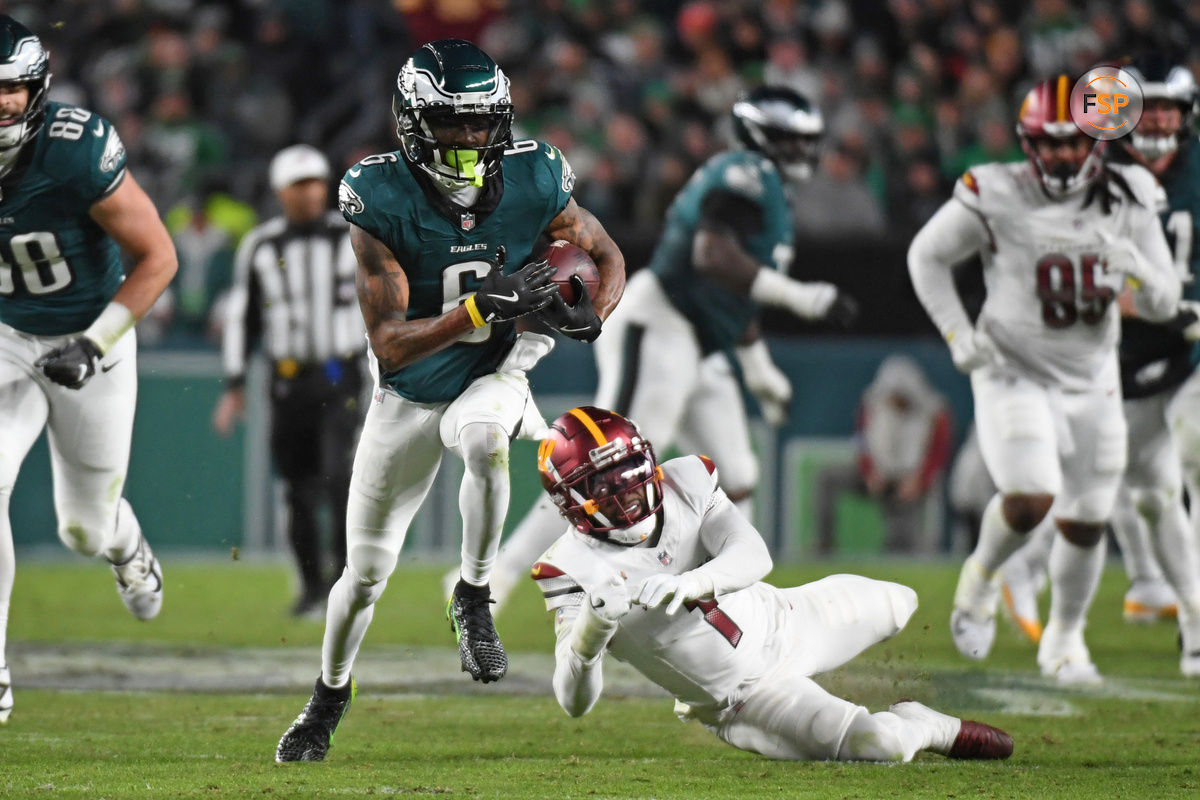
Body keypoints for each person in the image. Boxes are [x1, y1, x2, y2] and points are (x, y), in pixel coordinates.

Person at [274, 39, 625, 762]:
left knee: (485, 439)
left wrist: (595, 312)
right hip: (407, 396)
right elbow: (389, 344)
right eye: (451, 122)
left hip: (487, 379)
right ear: (412, 121)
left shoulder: (535, 176)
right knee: (362, 576)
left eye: (480, 121)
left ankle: (473, 594)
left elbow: (608, 256)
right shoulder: (378, 196)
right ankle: (329, 695)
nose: (469, 137)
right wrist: (477, 308)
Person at [469, 85, 857, 610]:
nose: (805, 153)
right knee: (599, 464)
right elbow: (712, 256)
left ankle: (731, 595)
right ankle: (496, 578)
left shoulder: (769, 192)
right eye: (794, 140)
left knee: (738, 474)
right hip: (661, 323)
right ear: (766, 138)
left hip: (702, 344)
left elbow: (732, 301)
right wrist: (804, 298)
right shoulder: (743, 174)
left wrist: (759, 366)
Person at [530, 406, 1013, 763]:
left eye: (632, 473)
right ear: (571, 501)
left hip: (787, 616)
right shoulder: (571, 569)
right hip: (745, 696)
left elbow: (753, 555)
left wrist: (696, 581)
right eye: (608, 487)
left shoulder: (687, 481)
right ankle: (925, 726)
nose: (630, 494)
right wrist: (592, 630)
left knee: (900, 604)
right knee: (880, 745)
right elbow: (574, 702)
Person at [907, 75, 1181, 685]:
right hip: (1014, 369)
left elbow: (1163, 304)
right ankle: (979, 581)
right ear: (1028, 144)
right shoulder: (996, 190)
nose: (1060, 155)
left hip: (1093, 377)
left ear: (1095, 142)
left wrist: (1139, 269)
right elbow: (926, 255)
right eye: (1047, 143)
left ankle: (1064, 640)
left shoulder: (1131, 194)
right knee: (1031, 496)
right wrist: (957, 333)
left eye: (1071, 143)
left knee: (1087, 519)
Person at [0, 16, 177, 723]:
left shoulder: (74, 151)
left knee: (82, 527)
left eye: (9, 89)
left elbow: (159, 255)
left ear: (36, 90)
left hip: (86, 332)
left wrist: (96, 342)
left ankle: (124, 543)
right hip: (5, 330)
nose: (0, 104)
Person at [997, 56, 1200, 673]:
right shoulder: (1094, 176)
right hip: (1112, 357)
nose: (1158, 118)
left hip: (1189, 354)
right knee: (1149, 496)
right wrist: (1155, 306)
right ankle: (1034, 585)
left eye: (1169, 107)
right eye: (1148, 106)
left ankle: (1194, 628)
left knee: (1193, 450)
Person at [213, 144, 366, 618]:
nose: (310, 193)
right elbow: (245, 317)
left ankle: (344, 585)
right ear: (281, 192)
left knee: (341, 480)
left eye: (317, 182)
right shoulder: (261, 245)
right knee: (298, 489)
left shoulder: (355, 238)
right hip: (286, 382)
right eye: (299, 185)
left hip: (340, 374)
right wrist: (234, 383)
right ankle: (310, 586)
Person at [814, 355, 953, 555]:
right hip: (876, 476)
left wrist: (919, 481)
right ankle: (824, 546)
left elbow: (939, 454)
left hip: (910, 482)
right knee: (826, 478)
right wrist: (870, 471)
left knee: (902, 540)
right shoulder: (872, 404)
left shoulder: (935, 412)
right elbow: (861, 441)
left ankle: (898, 557)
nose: (894, 401)